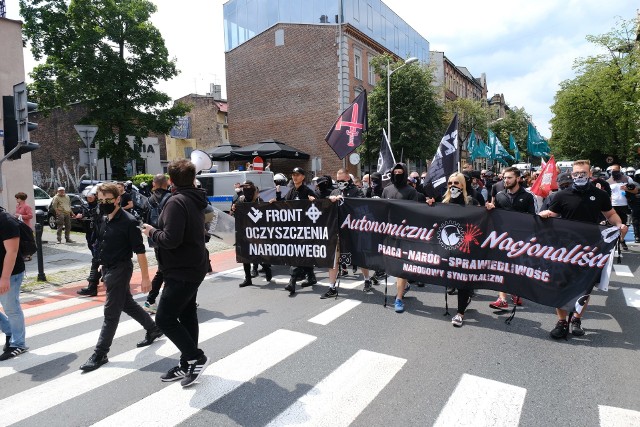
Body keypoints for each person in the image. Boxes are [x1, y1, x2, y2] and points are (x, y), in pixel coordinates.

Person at [142, 159, 211, 387]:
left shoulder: (176, 202)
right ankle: (186, 363)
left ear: (171, 180)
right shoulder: (195, 198)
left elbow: (171, 240)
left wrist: (152, 232)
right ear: (192, 178)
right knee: (187, 315)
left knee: (164, 318)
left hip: (181, 269)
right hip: (193, 265)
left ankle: (195, 357)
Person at [79, 183, 163, 372]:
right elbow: (102, 242)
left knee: (111, 312)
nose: (104, 203)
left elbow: (140, 252)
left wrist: (145, 278)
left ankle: (100, 353)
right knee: (126, 303)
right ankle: (153, 328)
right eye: (101, 200)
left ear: (118, 199)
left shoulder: (129, 221)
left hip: (121, 268)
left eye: (108, 200)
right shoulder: (102, 218)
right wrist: (101, 263)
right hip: (107, 268)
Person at [539, 160, 627, 339]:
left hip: (591, 249)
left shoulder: (599, 195)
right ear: (571, 175)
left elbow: (609, 214)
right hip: (565, 248)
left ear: (590, 175)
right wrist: (544, 215)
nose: (579, 177)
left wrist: (619, 224)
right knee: (561, 284)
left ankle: (576, 319)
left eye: (583, 174)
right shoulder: (562, 195)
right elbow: (553, 214)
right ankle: (562, 321)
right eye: (576, 174)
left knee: (585, 287)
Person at [485, 167, 536, 310]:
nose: (505, 180)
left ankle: (515, 292)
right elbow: (494, 211)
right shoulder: (500, 194)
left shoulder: (528, 196)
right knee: (502, 267)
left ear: (518, 178)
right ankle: (502, 299)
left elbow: (533, 218)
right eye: (504, 177)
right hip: (503, 238)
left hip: (521, 239)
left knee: (517, 268)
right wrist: (490, 207)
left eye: (509, 178)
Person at [321, 169, 375, 298]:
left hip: (353, 231)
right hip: (337, 230)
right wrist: (330, 200)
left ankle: (367, 279)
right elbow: (324, 208)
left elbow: (363, 207)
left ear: (348, 179)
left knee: (360, 257)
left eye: (342, 180)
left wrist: (347, 200)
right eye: (338, 180)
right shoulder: (334, 191)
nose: (340, 183)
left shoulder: (357, 191)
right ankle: (332, 287)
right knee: (334, 258)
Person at [441, 172, 479, 327]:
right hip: (449, 246)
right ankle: (468, 293)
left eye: (456, 183)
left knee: (462, 280)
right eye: (450, 183)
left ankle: (460, 313)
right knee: (454, 279)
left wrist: (489, 208)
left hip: (466, 247)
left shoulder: (471, 201)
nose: (452, 186)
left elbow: (482, 219)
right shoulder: (444, 201)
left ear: (463, 185)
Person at [271, 167, 317, 295]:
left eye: (297, 175)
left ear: (302, 177)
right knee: (303, 254)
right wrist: (276, 201)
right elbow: (284, 203)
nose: (294, 177)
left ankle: (292, 282)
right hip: (294, 229)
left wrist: (315, 202)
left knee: (298, 254)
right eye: (293, 175)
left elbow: (320, 207)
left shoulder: (308, 191)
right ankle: (311, 277)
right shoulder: (291, 191)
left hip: (306, 229)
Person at [382, 163, 417, 313]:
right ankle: (405, 285)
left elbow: (415, 211)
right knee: (393, 266)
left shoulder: (410, 191)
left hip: (404, 233)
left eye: (400, 172)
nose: (397, 174)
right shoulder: (386, 190)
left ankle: (399, 298)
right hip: (390, 233)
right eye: (394, 172)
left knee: (401, 267)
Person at [141, 174, 172, 313]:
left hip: (155, 238)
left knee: (163, 269)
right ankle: (151, 300)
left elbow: (144, 221)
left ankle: (151, 300)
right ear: (167, 183)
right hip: (170, 237)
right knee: (168, 270)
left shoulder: (148, 200)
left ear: (154, 184)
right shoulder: (171, 198)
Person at [0, 209, 28, 361]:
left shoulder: (6, 221)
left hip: (9, 273)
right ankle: (10, 330)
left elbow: (12, 251)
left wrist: (4, 278)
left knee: (11, 308)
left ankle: (18, 344)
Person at [236, 181, 272, 287]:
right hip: (244, 231)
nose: (245, 190)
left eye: (248, 187)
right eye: (244, 188)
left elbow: (263, 215)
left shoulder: (258, 200)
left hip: (256, 232)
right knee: (244, 255)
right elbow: (236, 212)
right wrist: (234, 209)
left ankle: (266, 268)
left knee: (258, 253)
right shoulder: (241, 199)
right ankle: (248, 279)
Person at [76, 189, 103, 296]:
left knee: (99, 260)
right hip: (95, 234)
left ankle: (93, 285)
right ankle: (93, 285)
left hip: (107, 236)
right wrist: (80, 217)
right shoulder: (86, 206)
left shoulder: (104, 206)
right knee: (97, 259)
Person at [607, 164, 637, 250]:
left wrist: (626, 189)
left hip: (625, 205)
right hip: (612, 206)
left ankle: (622, 239)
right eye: (612, 171)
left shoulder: (627, 179)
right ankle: (613, 242)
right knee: (612, 226)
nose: (614, 172)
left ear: (620, 170)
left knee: (624, 226)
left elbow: (635, 191)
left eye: (616, 171)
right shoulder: (608, 181)